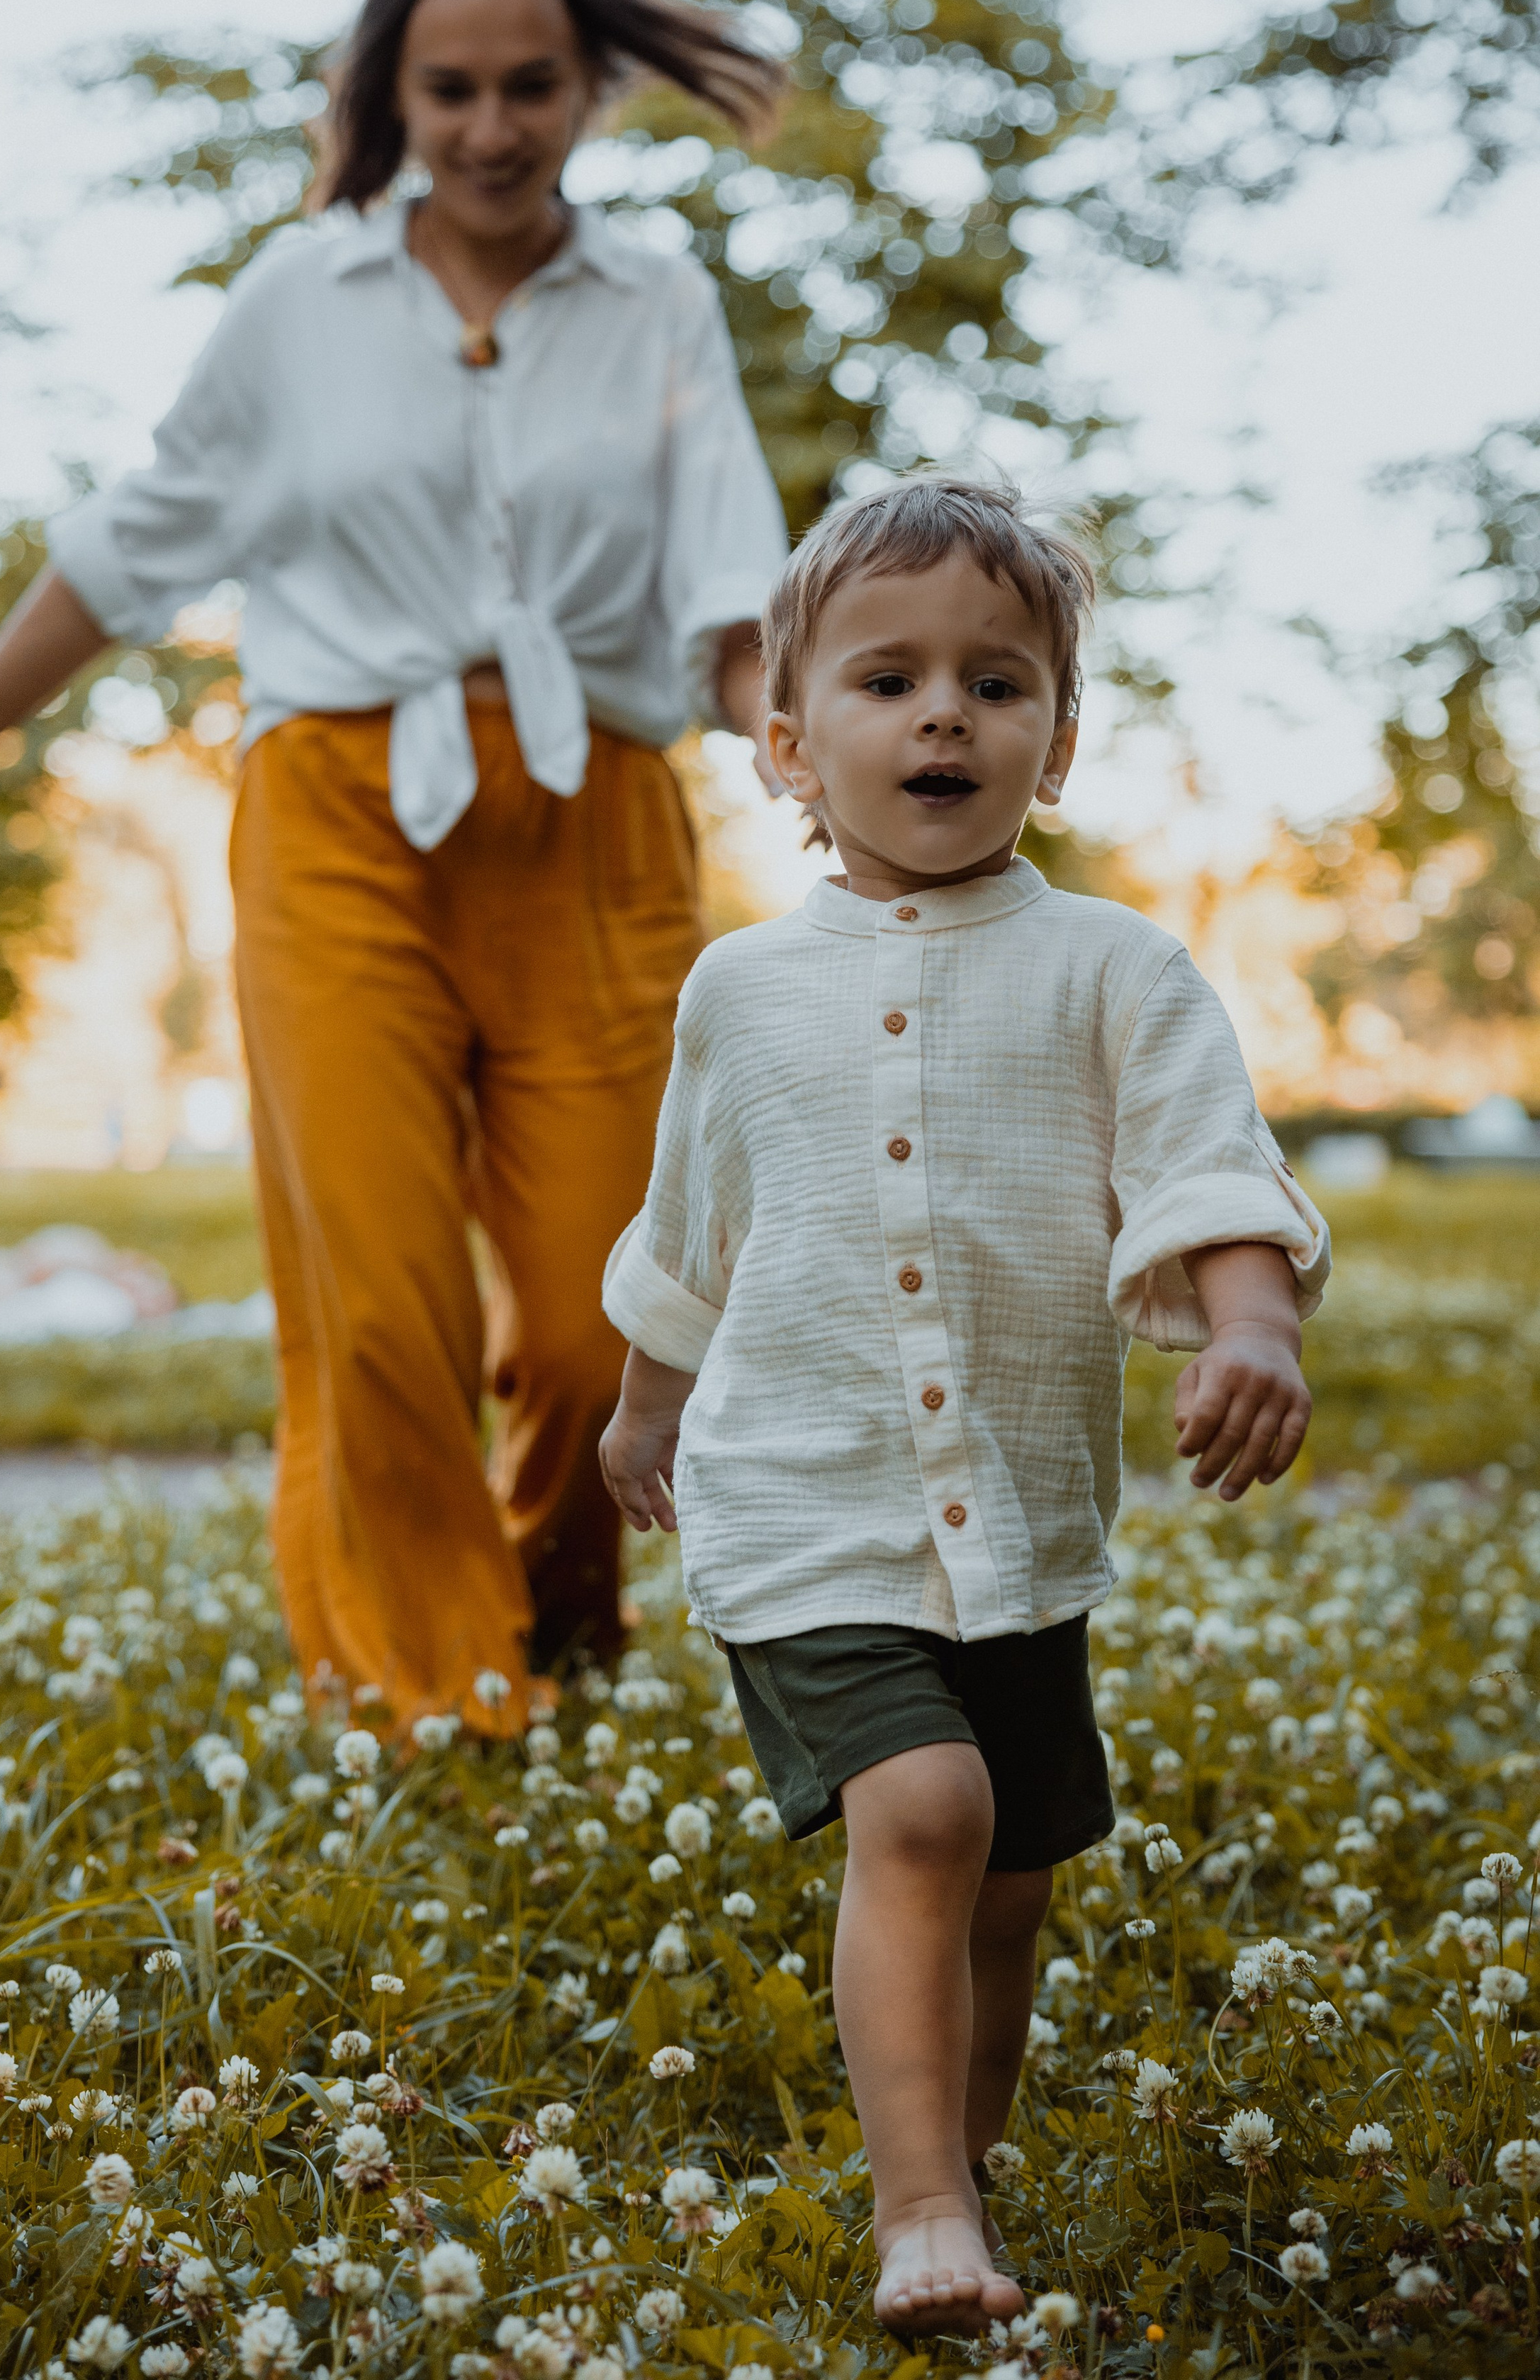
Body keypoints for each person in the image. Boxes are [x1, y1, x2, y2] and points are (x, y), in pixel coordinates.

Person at [0, 0, 790, 1728]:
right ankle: (432, 1695)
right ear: (392, 97)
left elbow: (732, 601)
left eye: (532, 85)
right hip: (340, 816)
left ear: (594, 85)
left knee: (593, 1311)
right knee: (379, 1296)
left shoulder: (658, 299)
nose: (490, 130)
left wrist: (817, 764)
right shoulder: (304, 294)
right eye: (448, 91)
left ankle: (563, 1629)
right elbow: (140, 532)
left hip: (597, 823)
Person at [596, 475, 1330, 2340]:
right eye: (889, 678)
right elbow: (693, 1224)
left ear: (1057, 745)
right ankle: (916, 2206)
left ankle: (965, 2165)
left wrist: (1252, 1326)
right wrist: (643, 1407)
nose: (944, 715)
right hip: (801, 1502)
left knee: (1011, 1872)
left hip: (1013, 1511)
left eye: (997, 685)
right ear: (787, 744)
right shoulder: (741, 992)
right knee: (921, 1810)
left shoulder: (1116, 971)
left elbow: (1203, 1170)